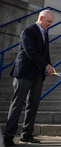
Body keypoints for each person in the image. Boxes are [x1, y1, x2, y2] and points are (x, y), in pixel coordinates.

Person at [3, 10, 55, 147]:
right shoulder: (28, 31)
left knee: (33, 105)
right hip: (24, 74)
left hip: (38, 74)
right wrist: (45, 65)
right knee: (17, 105)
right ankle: (8, 137)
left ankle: (26, 135)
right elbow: (30, 51)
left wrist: (50, 66)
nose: (50, 24)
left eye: (51, 22)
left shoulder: (45, 33)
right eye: (48, 21)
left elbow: (45, 53)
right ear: (41, 18)